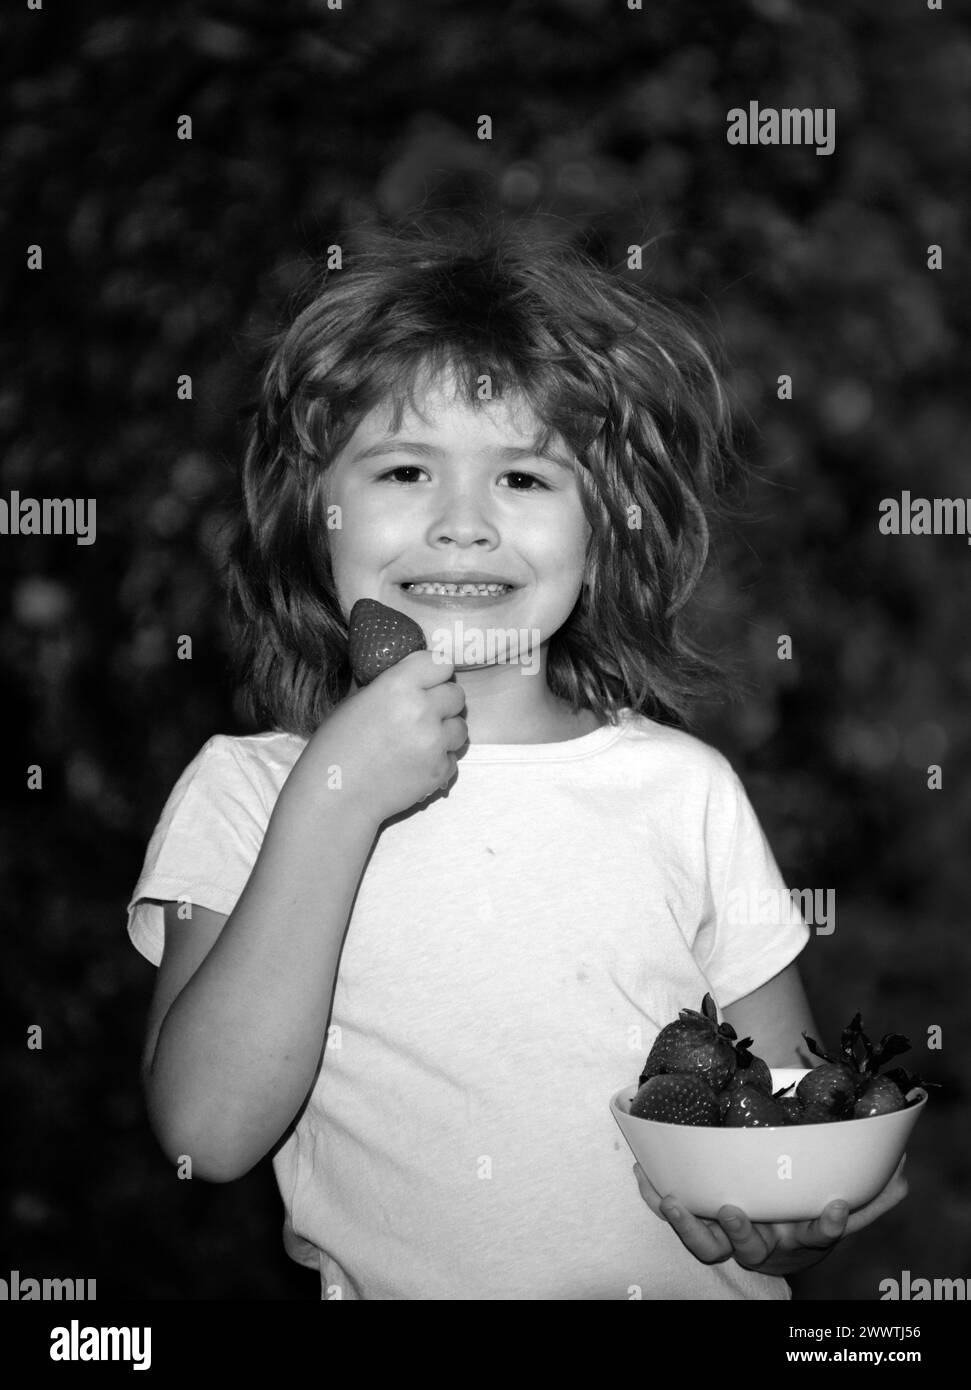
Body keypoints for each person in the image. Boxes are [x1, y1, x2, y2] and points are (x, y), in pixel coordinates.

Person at [127, 221, 906, 1300]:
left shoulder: (682, 792)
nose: (462, 526)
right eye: (404, 469)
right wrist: (334, 800)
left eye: (525, 480)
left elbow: (780, 1138)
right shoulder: (252, 792)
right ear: (318, 510)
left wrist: (789, 1222)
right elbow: (205, 1133)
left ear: (603, 526)